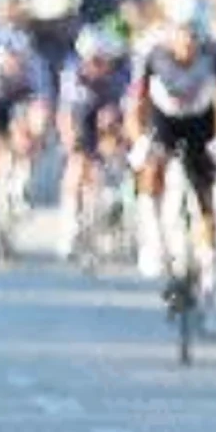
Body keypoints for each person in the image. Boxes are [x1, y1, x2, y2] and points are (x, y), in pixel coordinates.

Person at [126, 18, 216, 321]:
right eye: (182, 39)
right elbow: (136, 102)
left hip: (201, 119)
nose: (187, 47)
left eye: (193, 40)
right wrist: (138, 141)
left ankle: (209, 275)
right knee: (151, 166)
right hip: (165, 119)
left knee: (205, 197)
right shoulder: (151, 52)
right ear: (171, 36)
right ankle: (153, 239)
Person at [56, 21, 134, 261]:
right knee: (78, 163)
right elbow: (66, 115)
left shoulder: (121, 75)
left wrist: (124, 139)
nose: (95, 66)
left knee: (117, 151)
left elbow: (131, 114)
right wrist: (71, 143)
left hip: (112, 116)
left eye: (101, 61)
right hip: (82, 117)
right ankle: (70, 225)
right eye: (90, 60)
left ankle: (119, 208)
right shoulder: (73, 74)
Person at [0, 27, 51, 226]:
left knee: (30, 135)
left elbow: (42, 105)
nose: (15, 62)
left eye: (19, 57)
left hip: (23, 101)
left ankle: (19, 190)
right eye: (11, 57)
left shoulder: (36, 65)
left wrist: (37, 135)